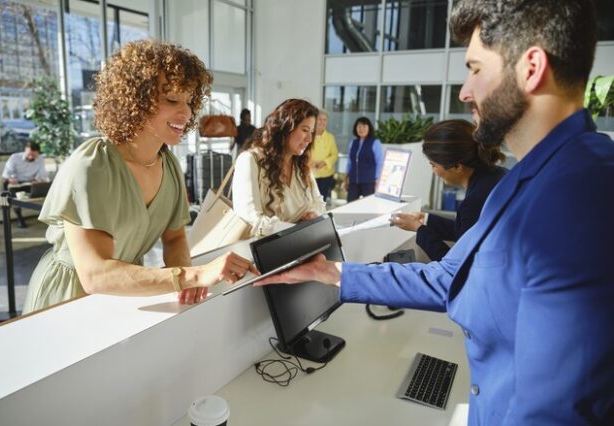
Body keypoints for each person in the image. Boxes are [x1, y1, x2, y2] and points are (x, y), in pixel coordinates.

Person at [257, 1, 614, 424]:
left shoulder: (583, 191)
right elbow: (447, 278)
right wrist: (331, 273)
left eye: (476, 69)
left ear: (531, 68)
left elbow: (559, 410)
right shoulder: (523, 182)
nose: (464, 91)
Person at [23, 40, 257, 314]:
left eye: (189, 100)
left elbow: (175, 239)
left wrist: (183, 278)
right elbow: (95, 275)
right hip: (67, 298)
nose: (186, 112)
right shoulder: (93, 165)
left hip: (126, 290)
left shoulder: (168, 166)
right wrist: (193, 276)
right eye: (171, 100)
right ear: (134, 100)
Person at [391, 119, 507, 261]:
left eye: (433, 165)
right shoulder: (498, 175)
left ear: (457, 167)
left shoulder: (474, 203)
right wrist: (426, 220)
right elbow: (466, 230)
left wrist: (419, 230)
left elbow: (455, 264)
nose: (433, 171)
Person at [232, 99, 325, 237]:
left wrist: (314, 214)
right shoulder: (250, 161)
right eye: (305, 130)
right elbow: (250, 220)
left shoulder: (301, 165)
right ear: (285, 127)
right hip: (262, 251)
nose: (309, 139)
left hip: (299, 244)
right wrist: (296, 230)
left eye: (311, 132)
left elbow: (319, 204)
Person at [1, 141, 49, 228]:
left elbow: (42, 173)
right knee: (14, 197)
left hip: (30, 182)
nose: (31, 157)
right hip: (15, 182)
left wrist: (38, 179)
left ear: (38, 153)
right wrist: (11, 178)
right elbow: (7, 172)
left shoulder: (40, 159)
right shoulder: (15, 157)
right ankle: (20, 218)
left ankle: (47, 216)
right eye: (29, 154)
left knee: (46, 191)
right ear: (25, 151)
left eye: (34, 155)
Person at [344, 117, 384, 202]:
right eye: (359, 126)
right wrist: (346, 177)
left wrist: (377, 179)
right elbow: (349, 162)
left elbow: (380, 162)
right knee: (350, 204)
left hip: (369, 181)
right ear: (356, 128)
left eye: (364, 126)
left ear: (369, 128)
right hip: (354, 180)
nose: (361, 129)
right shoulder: (353, 143)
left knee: (368, 205)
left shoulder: (375, 142)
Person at [309, 110, 338, 202]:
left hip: (326, 175)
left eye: (324, 120)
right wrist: (308, 162)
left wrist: (325, 162)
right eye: (320, 119)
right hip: (310, 174)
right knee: (309, 201)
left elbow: (335, 155)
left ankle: (320, 216)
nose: (322, 122)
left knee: (322, 201)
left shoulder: (330, 137)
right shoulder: (308, 135)